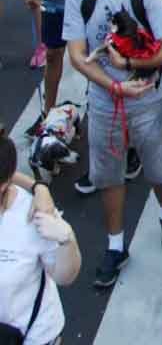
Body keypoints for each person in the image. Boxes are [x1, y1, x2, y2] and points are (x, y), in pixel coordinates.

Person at [63, 0, 162, 287]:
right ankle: (115, 246)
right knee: (107, 173)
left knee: (159, 168)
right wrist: (112, 86)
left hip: (146, 95)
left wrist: (129, 68)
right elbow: (76, 54)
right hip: (104, 101)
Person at [0, 131, 82, 343]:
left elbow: (65, 277)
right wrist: (38, 186)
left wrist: (66, 240)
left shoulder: (33, 215)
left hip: (32, 336)